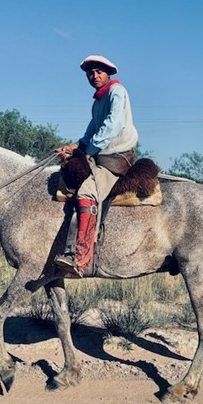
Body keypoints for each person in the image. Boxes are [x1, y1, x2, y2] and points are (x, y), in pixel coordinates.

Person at [55, 55, 138, 278]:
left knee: (86, 191)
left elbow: (113, 125)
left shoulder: (116, 92)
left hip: (115, 158)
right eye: (90, 73)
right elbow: (91, 132)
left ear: (107, 73)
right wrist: (74, 147)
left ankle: (79, 258)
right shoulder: (98, 101)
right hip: (103, 155)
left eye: (98, 71)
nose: (94, 76)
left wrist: (87, 152)